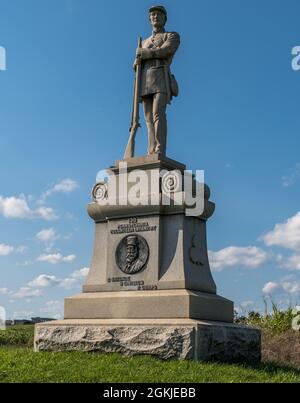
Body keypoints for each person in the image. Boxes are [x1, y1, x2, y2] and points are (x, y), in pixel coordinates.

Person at [134, 6, 180, 156]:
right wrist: (136, 62)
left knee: (157, 112)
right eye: (153, 14)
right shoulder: (144, 42)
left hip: (160, 76)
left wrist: (146, 53)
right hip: (144, 80)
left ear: (164, 18)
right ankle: (151, 149)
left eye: (159, 14)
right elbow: (136, 64)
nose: (155, 16)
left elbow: (166, 50)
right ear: (149, 19)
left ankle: (160, 148)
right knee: (148, 118)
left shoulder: (171, 36)